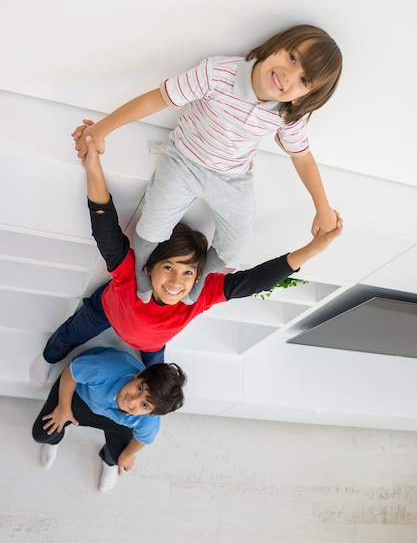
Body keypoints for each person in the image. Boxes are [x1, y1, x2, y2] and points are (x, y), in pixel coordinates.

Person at [30, 135, 342, 387]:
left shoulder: (200, 290)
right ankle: (48, 357)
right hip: (107, 311)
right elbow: (105, 229)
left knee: (157, 375)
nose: (178, 282)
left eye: (188, 271)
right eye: (169, 267)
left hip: (153, 344)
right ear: (149, 266)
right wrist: (92, 168)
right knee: (71, 333)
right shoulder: (131, 274)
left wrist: (314, 248)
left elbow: (253, 281)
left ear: (198, 275)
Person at [72, 24, 343, 303]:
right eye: (292, 58)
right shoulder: (218, 72)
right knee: (152, 226)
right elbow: (156, 99)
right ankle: (145, 265)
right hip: (184, 161)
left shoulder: (287, 113)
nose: (288, 75)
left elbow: (301, 155)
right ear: (277, 45)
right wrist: (101, 129)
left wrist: (322, 208)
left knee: (235, 249)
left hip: (233, 178)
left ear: (303, 96)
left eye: (303, 80)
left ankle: (200, 276)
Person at [32, 346, 186, 493]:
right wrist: (64, 409)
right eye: (139, 389)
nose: (132, 401)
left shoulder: (148, 421)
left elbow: (143, 439)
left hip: (115, 421)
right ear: (139, 375)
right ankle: (58, 436)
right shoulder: (104, 369)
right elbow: (70, 374)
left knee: (118, 456)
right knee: (42, 433)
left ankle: (108, 460)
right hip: (82, 396)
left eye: (144, 405)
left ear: (151, 413)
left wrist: (127, 454)